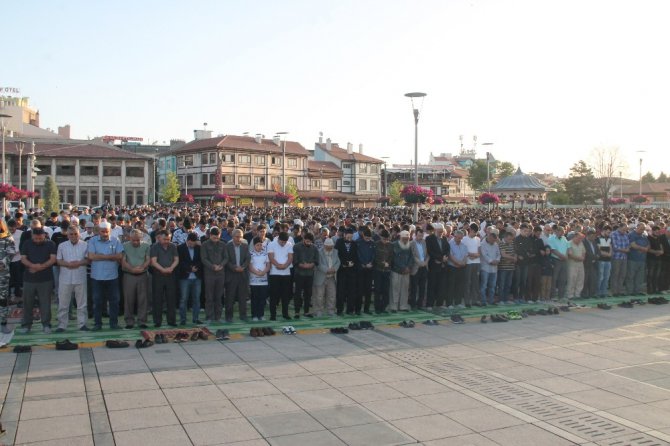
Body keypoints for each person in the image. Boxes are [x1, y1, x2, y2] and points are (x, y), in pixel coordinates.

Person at [19, 228, 57, 334]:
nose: (38, 240)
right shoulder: (27, 244)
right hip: (29, 278)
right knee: (27, 302)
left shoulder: (51, 244)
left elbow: (53, 259)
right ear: (32, 236)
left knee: (45, 303)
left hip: (46, 278)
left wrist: (41, 267)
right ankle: (26, 325)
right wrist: (32, 266)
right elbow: (23, 258)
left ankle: (46, 324)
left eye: (40, 238)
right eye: (36, 238)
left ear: (44, 235)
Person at [87, 221, 124, 330]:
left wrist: (102, 256)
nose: (104, 234)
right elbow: (91, 256)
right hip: (97, 277)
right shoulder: (92, 241)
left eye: (106, 231)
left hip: (112, 276)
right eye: (102, 231)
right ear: (99, 231)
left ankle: (114, 323)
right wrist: (110, 257)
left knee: (114, 301)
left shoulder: (115, 240)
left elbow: (120, 255)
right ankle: (97, 324)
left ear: (110, 231)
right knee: (97, 301)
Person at [55, 225, 89, 332]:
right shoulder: (62, 246)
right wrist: (67, 264)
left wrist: (78, 263)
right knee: (63, 303)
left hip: (80, 276)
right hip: (65, 277)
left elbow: (89, 260)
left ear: (79, 234)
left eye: (76, 234)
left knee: (82, 303)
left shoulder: (85, 245)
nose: (74, 236)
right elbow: (58, 261)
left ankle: (82, 324)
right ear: (67, 235)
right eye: (71, 234)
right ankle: (62, 325)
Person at [121, 229, 151, 329]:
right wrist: (132, 269)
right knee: (128, 299)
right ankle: (129, 321)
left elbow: (148, 260)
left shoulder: (146, 246)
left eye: (137, 240)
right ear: (130, 238)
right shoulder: (125, 246)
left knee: (143, 299)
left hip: (142, 274)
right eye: (133, 240)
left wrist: (142, 267)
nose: (135, 242)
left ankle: (142, 321)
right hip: (129, 275)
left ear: (141, 238)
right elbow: (123, 261)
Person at [150, 230, 179, 327]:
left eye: (168, 239)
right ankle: (157, 321)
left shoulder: (173, 246)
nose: (166, 241)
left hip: (170, 275)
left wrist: (171, 268)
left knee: (171, 299)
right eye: (164, 239)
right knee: (157, 299)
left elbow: (176, 259)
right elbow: (153, 261)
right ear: (159, 238)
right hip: (158, 275)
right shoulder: (154, 247)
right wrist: (162, 269)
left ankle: (171, 320)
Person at [201, 226, 227, 324]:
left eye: (218, 237)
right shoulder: (204, 245)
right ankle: (209, 317)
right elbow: (204, 258)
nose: (216, 239)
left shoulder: (222, 244)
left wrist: (221, 265)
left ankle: (218, 316)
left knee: (219, 296)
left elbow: (226, 257)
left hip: (220, 273)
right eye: (214, 237)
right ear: (210, 236)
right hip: (209, 274)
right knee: (209, 296)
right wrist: (213, 266)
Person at [177, 232, 203, 325]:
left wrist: (196, 268)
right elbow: (180, 262)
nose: (193, 245)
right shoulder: (180, 248)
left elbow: (201, 260)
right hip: (185, 277)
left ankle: (196, 318)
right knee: (184, 299)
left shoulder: (199, 248)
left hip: (197, 277)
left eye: (194, 243)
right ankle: (183, 319)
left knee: (196, 299)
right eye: (191, 243)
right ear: (187, 241)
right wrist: (189, 269)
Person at [225, 229, 250, 322]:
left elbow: (248, 259)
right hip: (231, 275)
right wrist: (234, 268)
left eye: (241, 237)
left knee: (242, 297)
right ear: (233, 237)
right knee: (230, 297)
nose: (239, 238)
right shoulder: (228, 246)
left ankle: (243, 315)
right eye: (237, 237)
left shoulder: (245, 246)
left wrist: (242, 267)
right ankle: (229, 316)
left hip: (242, 274)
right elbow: (226, 260)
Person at [267, 231, 294, 321]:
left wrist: (285, 266)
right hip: (274, 273)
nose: (283, 244)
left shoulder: (289, 244)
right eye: (282, 242)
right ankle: (273, 315)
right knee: (274, 295)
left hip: (286, 273)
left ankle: (285, 314)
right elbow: (271, 257)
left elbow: (290, 257)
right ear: (278, 239)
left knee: (285, 295)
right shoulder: (271, 244)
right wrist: (278, 265)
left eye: (284, 242)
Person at [292, 232, 318, 318]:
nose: (308, 243)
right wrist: (302, 265)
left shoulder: (314, 248)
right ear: (303, 239)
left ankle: (306, 311)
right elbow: (294, 260)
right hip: (299, 274)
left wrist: (311, 265)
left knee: (308, 293)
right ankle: (297, 312)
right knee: (298, 293)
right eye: (307, 241)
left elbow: (316, 260)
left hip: (310, 274)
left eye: (310, 242)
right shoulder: (297, 247)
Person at [313, 238, 340, 317]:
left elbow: (338, 262)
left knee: (332, 295)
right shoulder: (319, 252)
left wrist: (334, 269)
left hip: (331, 277)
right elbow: (318, 264)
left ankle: (331, 310)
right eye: (328, 247)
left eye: (331, 247)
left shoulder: (335, 252)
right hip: (321, 276)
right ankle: (318, 311)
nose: (329, 248)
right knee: (319, 295)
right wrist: (327, 270)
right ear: (324, 246)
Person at [425, 223, 449, 310]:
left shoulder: (444, 238)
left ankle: (439, 303)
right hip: (433, 266)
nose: (441, 233)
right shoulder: (429, 239)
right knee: (432, 285)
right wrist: (439, 258)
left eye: (442, 232)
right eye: (439, 232)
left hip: (442, 266)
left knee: (441, 285)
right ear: (435, 231)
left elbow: (447, 249)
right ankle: (429, 304)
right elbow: (430, 251)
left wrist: (445, 257)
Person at [335, 228, 358, 316]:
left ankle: (350, 310)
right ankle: (339, 310)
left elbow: (356, 255)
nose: (349, 239)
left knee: (351, 291)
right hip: (342, 270)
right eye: (348, 237)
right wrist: (343, 264)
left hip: (352, 271)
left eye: (351, 237)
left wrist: (353, 263)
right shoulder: (339, 242)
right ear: (344, 235)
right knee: (341, 291)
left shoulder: (354, 243)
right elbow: (337, 255)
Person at [389, 230, 413, 312]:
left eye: (407, 238)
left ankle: (403, 306)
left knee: (405, 289)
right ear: (400, 237)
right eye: (404, 238)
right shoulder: (394, 245)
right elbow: (393, 259)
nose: (406, 240)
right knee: (394, 289)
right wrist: (403, 267)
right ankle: (393, 307)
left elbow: (411, 257)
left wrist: (408, 267)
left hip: (406, 271)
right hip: (396, 270)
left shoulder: (409, 245)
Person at [0, 220, 17, 333]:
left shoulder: (7, 236)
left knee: (2, 299)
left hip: (2, 274)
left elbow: (11, 252)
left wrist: (2, 263)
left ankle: (2, 322)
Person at [249, 236, 270, 321]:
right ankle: (254, 315)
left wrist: (264, 272)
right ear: (254, 245)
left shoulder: (265, 254)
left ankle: (261, 314)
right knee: (254, 298)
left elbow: (268, 265)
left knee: (262, 298)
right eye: (257, 245)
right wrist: (256, 272)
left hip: (263, 280)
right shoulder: (251, 254)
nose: (259, 247)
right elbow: (249, 266)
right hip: (254, 280)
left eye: (261, 245)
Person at [373, 229, 393, 314]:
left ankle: (384, 307)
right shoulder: (376, 244)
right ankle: (377, 307)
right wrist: (382, 264)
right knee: (377, 289)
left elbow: (391, 256)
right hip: (378, 270)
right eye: (384, 239)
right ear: (381, 237)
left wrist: (388, 263)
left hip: (387, 270)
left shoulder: (391, 245)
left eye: (387, 239)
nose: (385, 241)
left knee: (385, 289)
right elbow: (375, 257)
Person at [356, 228, 376, 314]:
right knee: (360, 290)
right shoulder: (358, 243)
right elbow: (358, 255)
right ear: (363, 235)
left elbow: (374, 255)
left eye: (369, 238)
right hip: (361, 269)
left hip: (369, 269)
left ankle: (366, 309)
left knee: (368, 290)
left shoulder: (372, 243)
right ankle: (358, 309)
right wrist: (364, 264)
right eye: (366, 238)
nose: (368, 240)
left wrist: (370, 263)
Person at [479, 228, 501, 306]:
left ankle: (491, 300)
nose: (493, 242)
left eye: (495, 241)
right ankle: (483, 301)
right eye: (492, 240)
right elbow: (484, 255)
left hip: (494, 268)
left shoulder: (495, 244)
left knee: (492, 286)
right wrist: (491, 261)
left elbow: (499, 254)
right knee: (484, 286)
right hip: (485, 268)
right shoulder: (482, 244)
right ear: (489, 237)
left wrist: (497, 260)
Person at [447, 229, 468, 308]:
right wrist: (458, 263)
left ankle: (458, 302)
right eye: (458, 238)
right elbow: (450, 256)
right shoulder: (450, 244)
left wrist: (463, 263)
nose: (460, 240)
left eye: (461, 238)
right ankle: (449, 303)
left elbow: (466, 256)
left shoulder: (464, 245)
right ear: (455, 236)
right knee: (451, 285)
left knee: (460, 285)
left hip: (461, 268)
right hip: (452, 267)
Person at [626, 222, 649, 295]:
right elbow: (633, 245)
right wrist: (643, 248)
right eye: (641, 229)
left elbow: (648, 245)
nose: (642, 230)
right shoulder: (631, 234)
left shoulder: (644, 235)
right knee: (631, 276)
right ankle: (630, 291)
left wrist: (645, 249)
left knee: (639, 277)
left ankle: (637, 291)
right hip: (632, 259)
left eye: (643, 229)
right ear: (637, 227)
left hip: (642, 259)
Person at [409, 228, 429, 310]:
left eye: (422, 235)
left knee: (422, 287)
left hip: (424, 267)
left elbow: (428, 254)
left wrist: (426, 262)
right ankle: (413, 304)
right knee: (414, 287)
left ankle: (420, 304)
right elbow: (413, 256)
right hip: (416, 268)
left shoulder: (424, 242)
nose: (420, 237)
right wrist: (420, 263)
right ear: (415, 235)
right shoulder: (412, 243)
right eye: (419, 235)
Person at [462, 223, 481, 307]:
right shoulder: (464, 239)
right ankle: (467, 301)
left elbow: (479, 251)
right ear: (471, 230)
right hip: (468, 263)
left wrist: (475, 255)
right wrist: (473, 255)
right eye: (474, 232)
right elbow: (464, 251)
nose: (475, 234)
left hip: (477, 263)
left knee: (475, 282)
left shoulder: (478, 239)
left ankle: (474, 300)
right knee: (467, 282)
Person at [610, 223, 630, 296]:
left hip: (624, 258)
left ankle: (620, 290)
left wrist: (625, 250)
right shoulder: (613, 234)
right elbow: (615, 247)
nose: (625, 231)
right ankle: (614, 291)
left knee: (622, 275)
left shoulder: (626, 235)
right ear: (619, 227)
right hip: (616, 257)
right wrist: (625, 250)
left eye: (626, 230)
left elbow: (628, 246)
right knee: (615, 274)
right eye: (624, 229)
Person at [566, 232, 586, 299]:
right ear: (575, 237)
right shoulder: (569, 243)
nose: (580, 239)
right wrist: (579, 258)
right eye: (579, 238)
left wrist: (583, 258)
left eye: (581, 238)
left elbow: (584, 252)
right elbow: (570, 254)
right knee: (572, 279)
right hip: (572, 264)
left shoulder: (581, 243)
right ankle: (570, 295)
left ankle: (577, 294)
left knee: (580, 279)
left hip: (580, 264)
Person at [646, 225, 664, 294]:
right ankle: (649, 290)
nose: (657, 233)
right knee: (650, 274)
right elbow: (648, 249)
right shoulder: (648, 238)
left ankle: (654, 289)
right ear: (652, 231)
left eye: (658, 232)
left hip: (659, 259)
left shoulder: (659, 238)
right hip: (651, 259)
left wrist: (661, 252)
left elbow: (661, 247)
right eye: (656, 231)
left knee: (657, 275)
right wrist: (656, 252)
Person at [596, 225, 612, 297]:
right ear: (604, 231)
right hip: (601, 260)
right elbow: (599, 250)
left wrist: (609, 254)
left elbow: (611, 248)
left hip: (608, 261)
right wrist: (608, 254)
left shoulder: (609, 238)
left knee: (606, 277)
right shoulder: (598, 238)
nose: (609, 234)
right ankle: (597, 292)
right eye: (608, 232)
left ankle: (604, 292)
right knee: (600, 277)